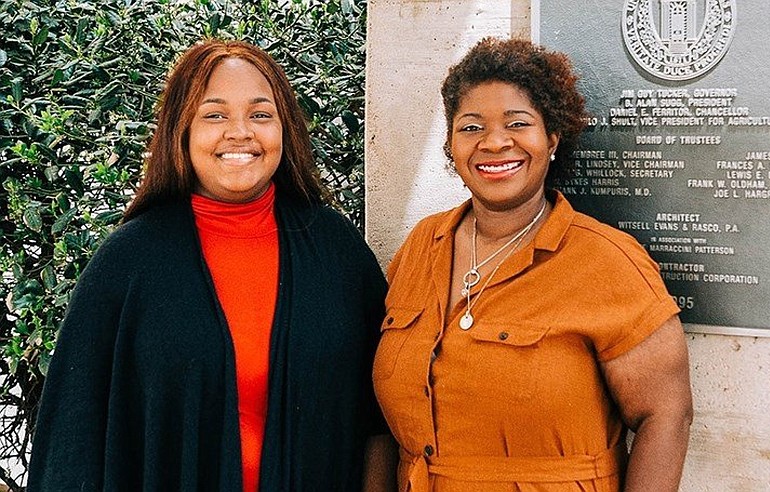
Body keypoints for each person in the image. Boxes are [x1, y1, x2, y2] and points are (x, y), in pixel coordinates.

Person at [29, 39, 395, 491]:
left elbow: (382, 416)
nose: (239, 132)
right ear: (181, 131)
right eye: (214, 114)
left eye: (261, 114)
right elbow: (72, 438)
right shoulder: (127, 263)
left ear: (286, 130)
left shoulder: (338, 253)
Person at [373, 37, 693, 491]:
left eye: (518, 123)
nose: (494, 142)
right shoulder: (422, 245)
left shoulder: (607, 261)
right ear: (450, 146)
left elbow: (666, 415)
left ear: (552, 139)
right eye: (471, 127)